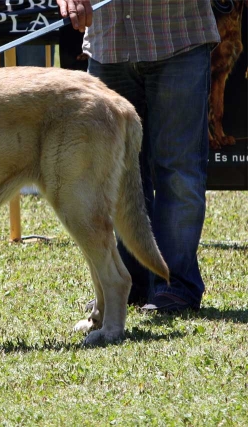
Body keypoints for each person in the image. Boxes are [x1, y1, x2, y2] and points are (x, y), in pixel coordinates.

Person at [55, 0, 221, 312]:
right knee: (116, 175)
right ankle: (131, 283)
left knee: (178, 172)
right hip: (109, 47)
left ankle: (176, 287)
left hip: (178, 39)